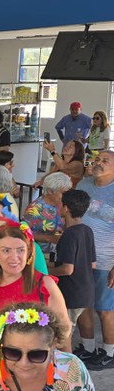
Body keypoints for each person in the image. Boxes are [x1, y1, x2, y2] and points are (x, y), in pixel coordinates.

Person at [76, 150, 114, 370]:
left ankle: (109, 352)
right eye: (97, 159)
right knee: (82, 305)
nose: (98, 163)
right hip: (81, 258)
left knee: (105, 308)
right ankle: (88, 347)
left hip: (106, 260)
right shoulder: (84, 184)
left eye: (105, 160)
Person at [49, 189, 96, 360]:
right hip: (86, 290)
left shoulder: (69, 234)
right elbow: (92, 263)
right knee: (68, 329)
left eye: (60, 204)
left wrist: (45, 271)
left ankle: (65, 369)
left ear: (66, 208)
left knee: (63, 334)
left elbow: (67, 269)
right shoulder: (87, 230)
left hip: (71, 293)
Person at [24, 171, 73, 255]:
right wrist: (49, 238)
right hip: (39, 254)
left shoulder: (61, 204)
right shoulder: (35, 209)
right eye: (63, 193)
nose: (66, 196)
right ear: (50, 191)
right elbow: (22, 233)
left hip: (57, 252)